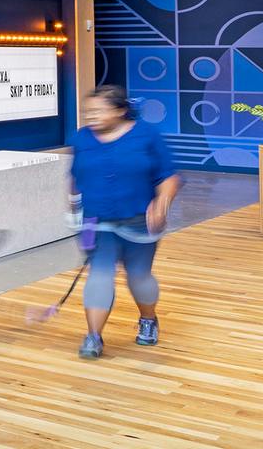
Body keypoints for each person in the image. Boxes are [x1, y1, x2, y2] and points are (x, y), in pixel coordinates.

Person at [68, 83, 180, 360]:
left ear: (119, 111)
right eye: (87, 111)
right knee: (100, 274)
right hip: (97, 220)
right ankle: (93, 336)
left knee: (138, 276)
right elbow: (75, 177)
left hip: (139, 222)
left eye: (98, 111)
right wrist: (72, 209)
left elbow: (169, 177)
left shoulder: (146, 136)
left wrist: (161, 205)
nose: (90, 116)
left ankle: (148, 319)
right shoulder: (82, 138)